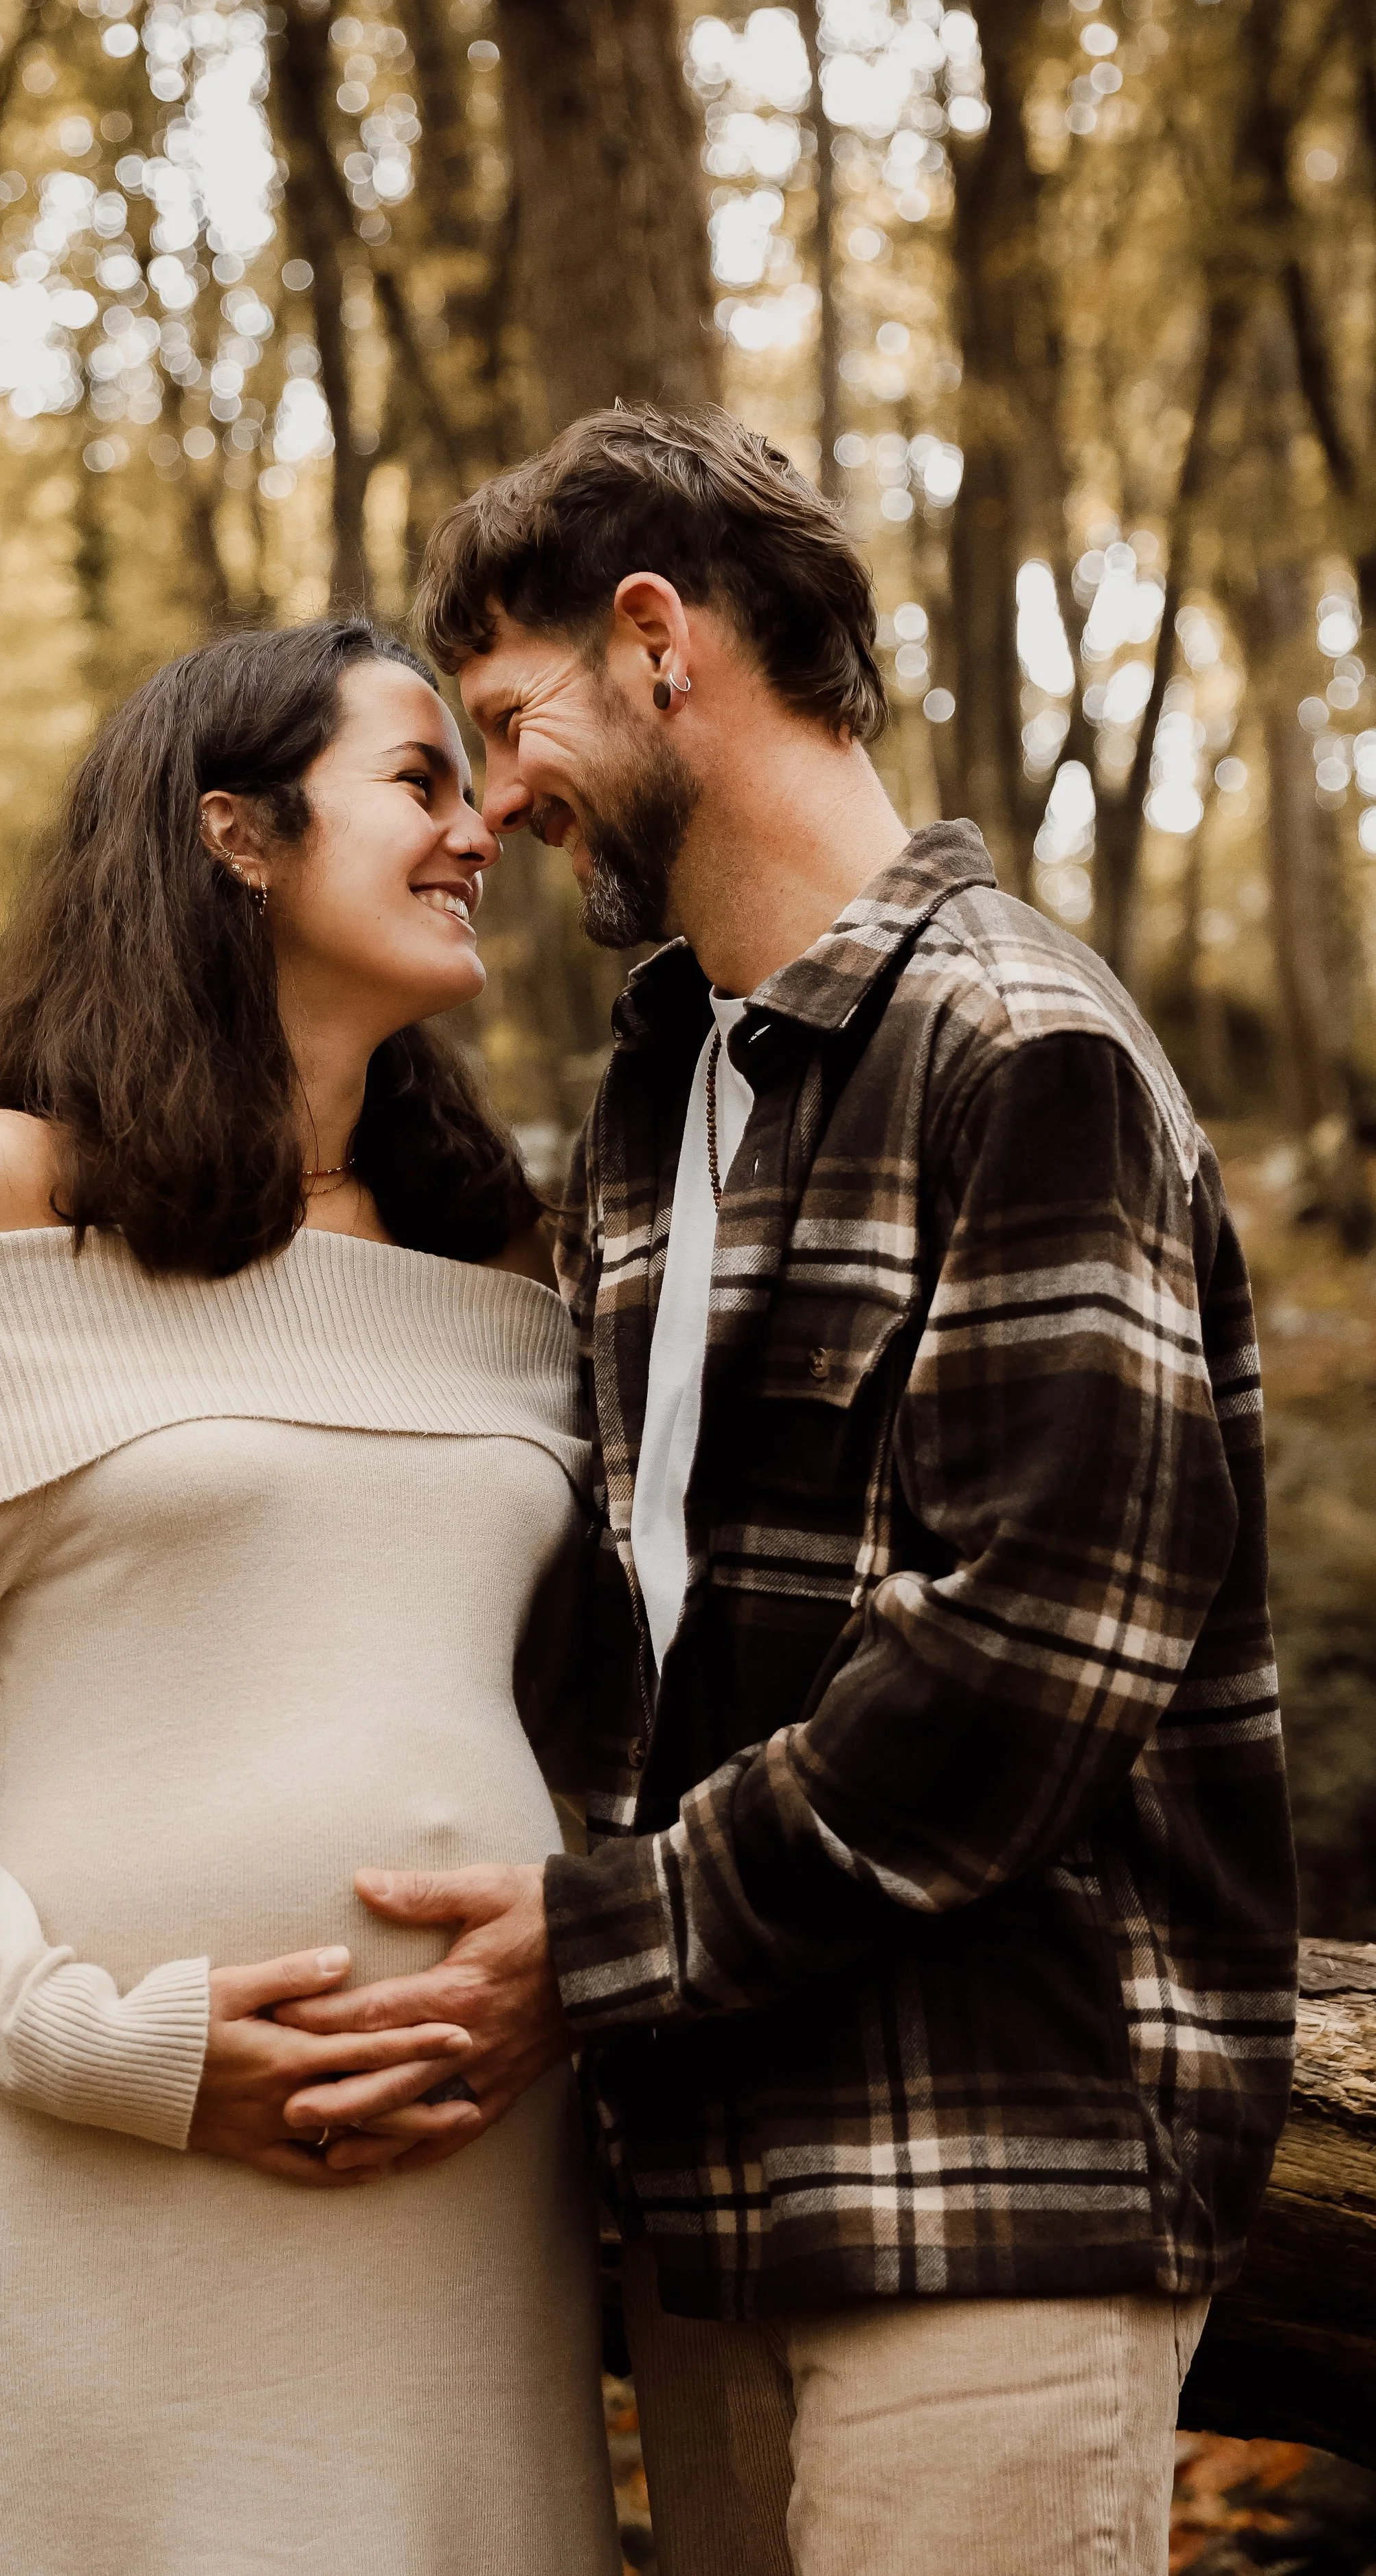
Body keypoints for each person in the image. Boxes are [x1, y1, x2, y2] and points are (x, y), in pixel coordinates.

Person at [275, 411, 1300, 2575]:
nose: (500, 797)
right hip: (709, 2180)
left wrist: (591, 1940)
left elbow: (1025, 1658)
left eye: (506, 718)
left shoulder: (1022, 1047)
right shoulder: (666, 1095)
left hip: (989, 2173)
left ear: (657, 643)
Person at [0, 620, 623, 2576]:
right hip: (113, 2172)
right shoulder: (4, 1192)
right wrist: (75, 2034)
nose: (479, 829)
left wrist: (572, 1946)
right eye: (418, 779)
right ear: (235, 832)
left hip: (467, 2181)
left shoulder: (500, 1255)